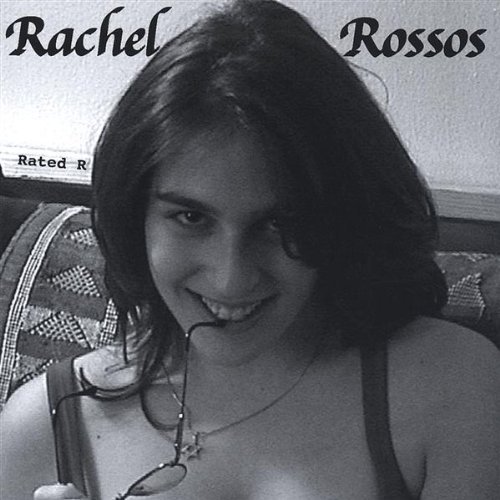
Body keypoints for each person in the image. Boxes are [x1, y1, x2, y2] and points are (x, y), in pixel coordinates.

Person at [1, 0, 499, 498]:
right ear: (135, 217)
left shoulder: (453, 384)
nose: (231, 278)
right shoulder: (42, 428)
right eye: (191, 218)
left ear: (343, 215)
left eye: (280, 223)